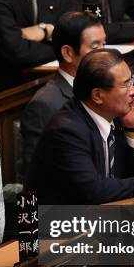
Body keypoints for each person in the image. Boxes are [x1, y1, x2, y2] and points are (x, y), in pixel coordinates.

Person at [26, 48, 134, 205]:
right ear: (97, 96)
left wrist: (132, 127)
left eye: (131, 81)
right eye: (126, 85)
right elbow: (93, 189)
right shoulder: (67, 131)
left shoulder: (114, 115)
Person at [21, 11, 106, 172]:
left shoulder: (106, 89)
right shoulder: (45, 104)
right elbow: (37, 174)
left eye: (104, 44)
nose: (104, 54)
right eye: (95, 47)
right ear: (68, 53)